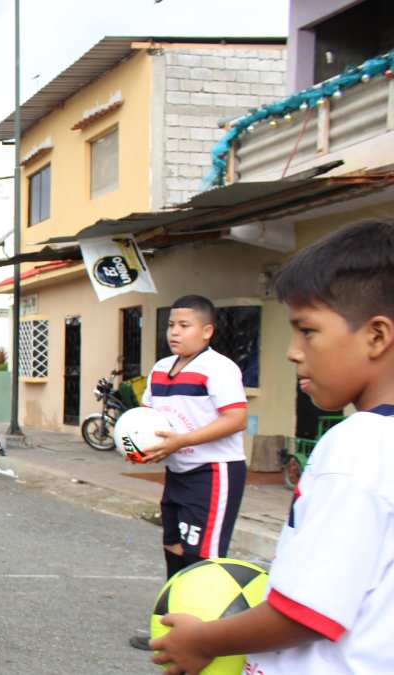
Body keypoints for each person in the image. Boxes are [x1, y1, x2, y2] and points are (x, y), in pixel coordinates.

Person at [151, 220, 394, 673]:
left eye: (308, 330)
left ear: (376, 336)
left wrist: (203, 640)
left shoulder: (357, 447)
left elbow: (306, 610)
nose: (292, 350)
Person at [127, 294, 248, 651]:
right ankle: (169, 631)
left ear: (207, 331)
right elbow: (148, 420)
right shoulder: (161, 368)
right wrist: (139, 447)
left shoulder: (219, 368)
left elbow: (236, 419)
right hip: (177, 473)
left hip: (214, 473)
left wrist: (182, 441)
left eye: (184, 325)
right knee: (174, 551)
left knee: (203, 560)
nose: (174, 332)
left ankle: (206, 639)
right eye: (170, 325)